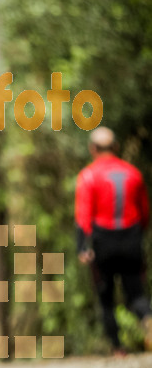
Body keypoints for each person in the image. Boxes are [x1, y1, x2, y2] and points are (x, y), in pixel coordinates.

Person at [75, 126, 152, 354]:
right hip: (131, 240)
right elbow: (145, 213)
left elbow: (83, 216)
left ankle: (118, 349)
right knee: (136, 294)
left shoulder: (88, 176)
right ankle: (148, 321)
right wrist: (139, 236)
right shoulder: (134, 174)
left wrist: (81, 246)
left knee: (105, 298)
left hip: (103, 243)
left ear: (93, 149)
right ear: (116, 148)